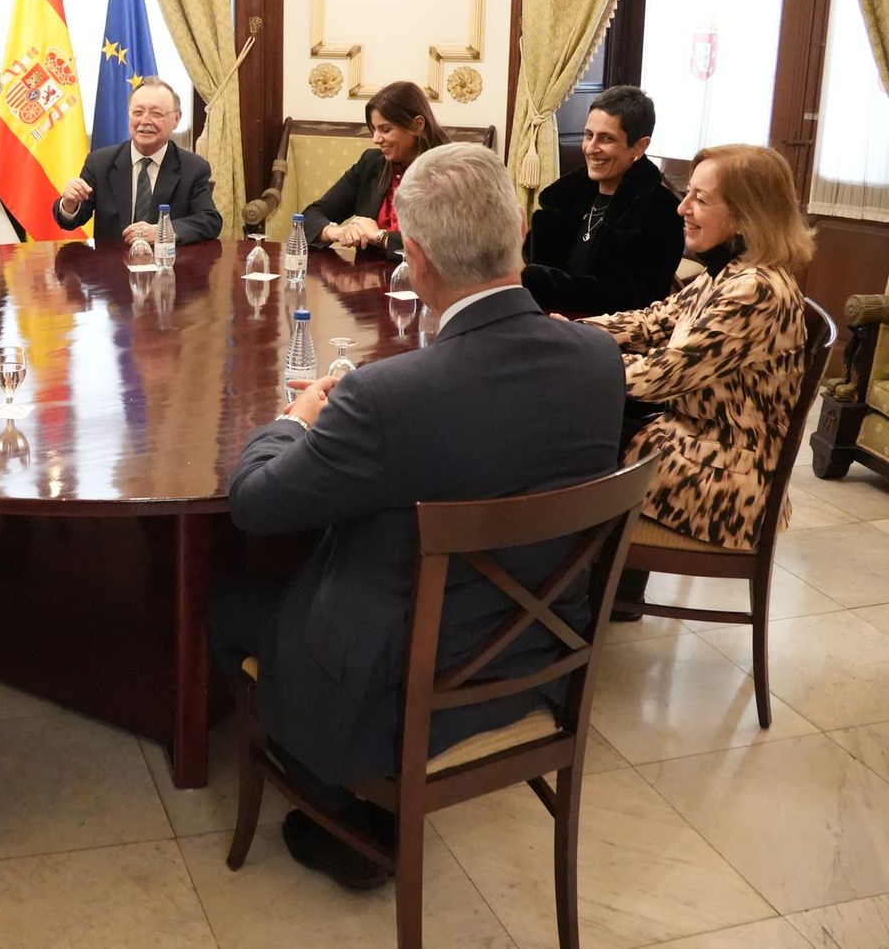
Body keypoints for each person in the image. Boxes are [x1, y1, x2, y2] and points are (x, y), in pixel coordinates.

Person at [210, 143, 624, 891]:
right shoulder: (599, 360)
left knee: (226, 600)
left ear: (416, 258)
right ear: (520, 231)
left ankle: (338, 803)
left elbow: (255, 506)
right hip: (538, 654)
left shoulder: (387, 397)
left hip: (404, 682)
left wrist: (297, 420)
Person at [582, 144, 815, 553]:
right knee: (576, 441)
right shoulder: (731, 271)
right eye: (687, 192)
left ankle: (569, 595)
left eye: (700, 199)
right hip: (693, 448)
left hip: (724, 479)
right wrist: (573, 333)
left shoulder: (755, 291)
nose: (681, 208)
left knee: (566, 461)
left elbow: (661, 377)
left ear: (746, 216)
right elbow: (652, 321)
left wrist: (565, 359)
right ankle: (591, 596)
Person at [522, 86, 684, 317]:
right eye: (588, 135)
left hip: (607, 334)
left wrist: (536, 279)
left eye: (606, 138)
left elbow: (639, 299)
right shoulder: (565, 196)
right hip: (541, 318)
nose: (591, 148)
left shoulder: (660, 211)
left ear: (639, 146)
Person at [52, 78, 222, 247]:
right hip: (111, 267)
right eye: (138, 113)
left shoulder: (193, 167)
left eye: (156, 114)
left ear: (176, 119)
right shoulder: (100, 162)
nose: (145, 121)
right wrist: (69, 205)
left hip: (168, 267)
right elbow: (70, 221)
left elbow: (209, 220)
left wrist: (162, 231)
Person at [300, 80, 450, 258]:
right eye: (374, 130)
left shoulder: (450, 171)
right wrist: (337, 232)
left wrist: (379, 236)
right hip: (367, 278)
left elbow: (444, 246)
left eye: (385, 129)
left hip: (425, 282)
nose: (376, 139)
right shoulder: (371, 163)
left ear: (417, 125)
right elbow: (309, 217)